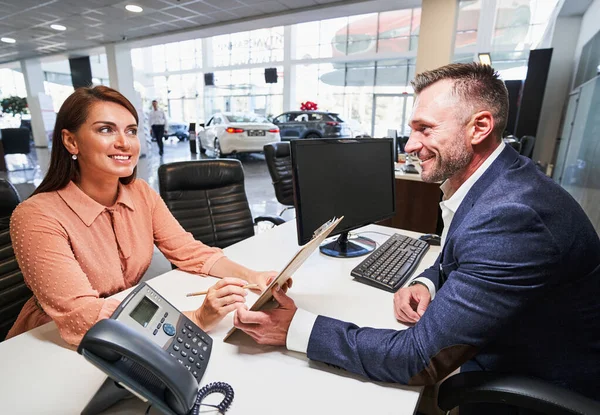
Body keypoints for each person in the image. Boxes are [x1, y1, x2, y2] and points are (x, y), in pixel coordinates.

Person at [233, 63, 600, 410]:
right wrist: (427, 281)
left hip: (537, 378)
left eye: (425, 129)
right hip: (513, 344)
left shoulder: (512, 216)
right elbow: (461, 255)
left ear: (479, 127)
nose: (409, 145)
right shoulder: (500, 181)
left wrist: (294, 327)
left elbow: (417, 360)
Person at [6, 86, 283, 347]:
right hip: (56, 340)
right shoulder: (36, 215)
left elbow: (189, 251)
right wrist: (197, 318)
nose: (124, 143)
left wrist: (253, 277)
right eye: (106, 129)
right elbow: (83, 316)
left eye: (131, 131)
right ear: (70, 141)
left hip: (129, 322)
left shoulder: (140, 193)